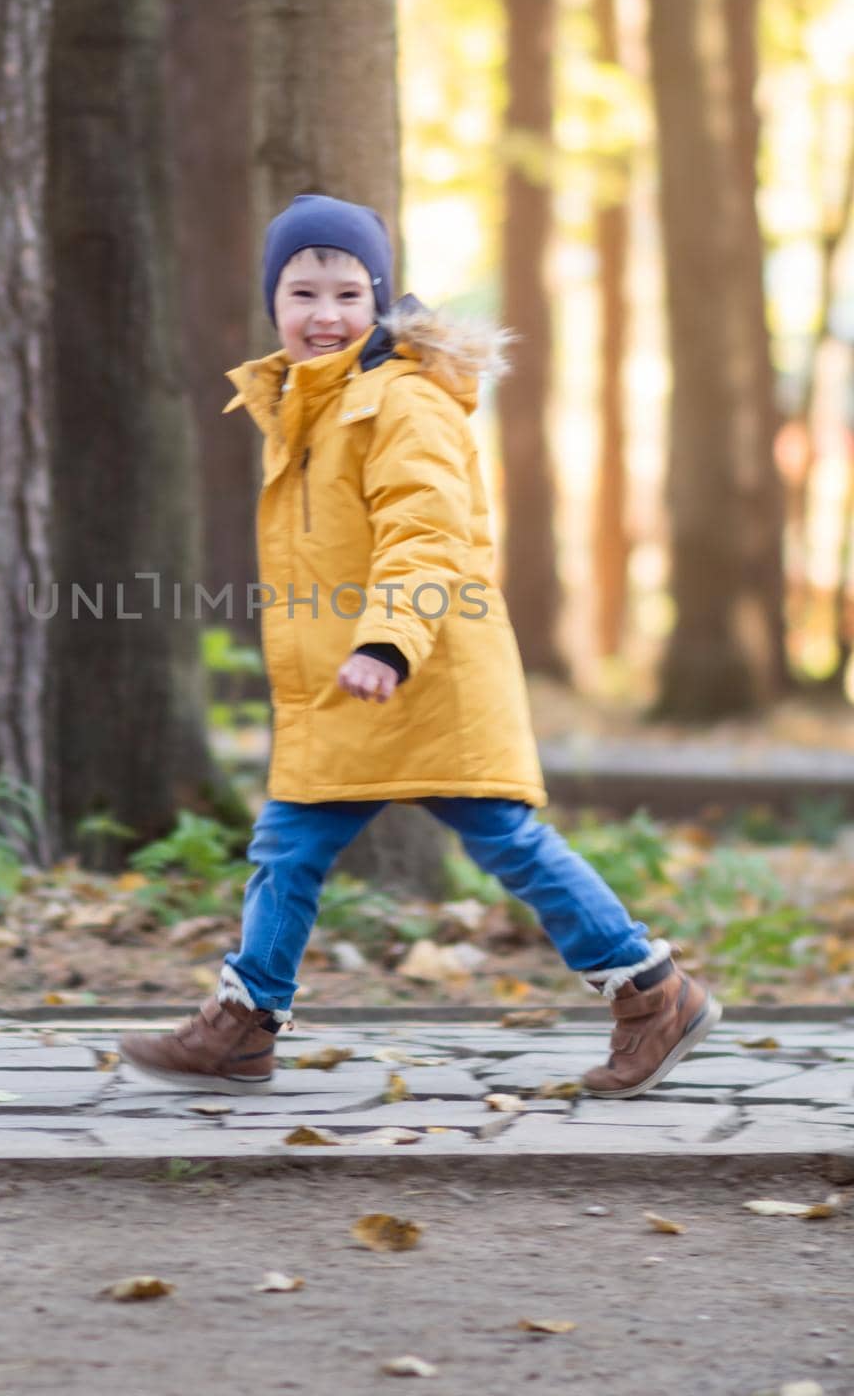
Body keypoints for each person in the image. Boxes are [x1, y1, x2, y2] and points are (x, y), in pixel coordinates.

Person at [119, 193, 720, 1098]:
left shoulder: (402, 403)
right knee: (287, 846)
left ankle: (653, 993)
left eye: (348, 295)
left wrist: (390, 646)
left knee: (505, 838)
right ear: (272, 301)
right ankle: (243, 1027)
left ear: (379, 302)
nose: (325, 316)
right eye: (302, 293)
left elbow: (428, 536)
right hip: (352, 683)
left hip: (424, 671)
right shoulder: (307, 404)